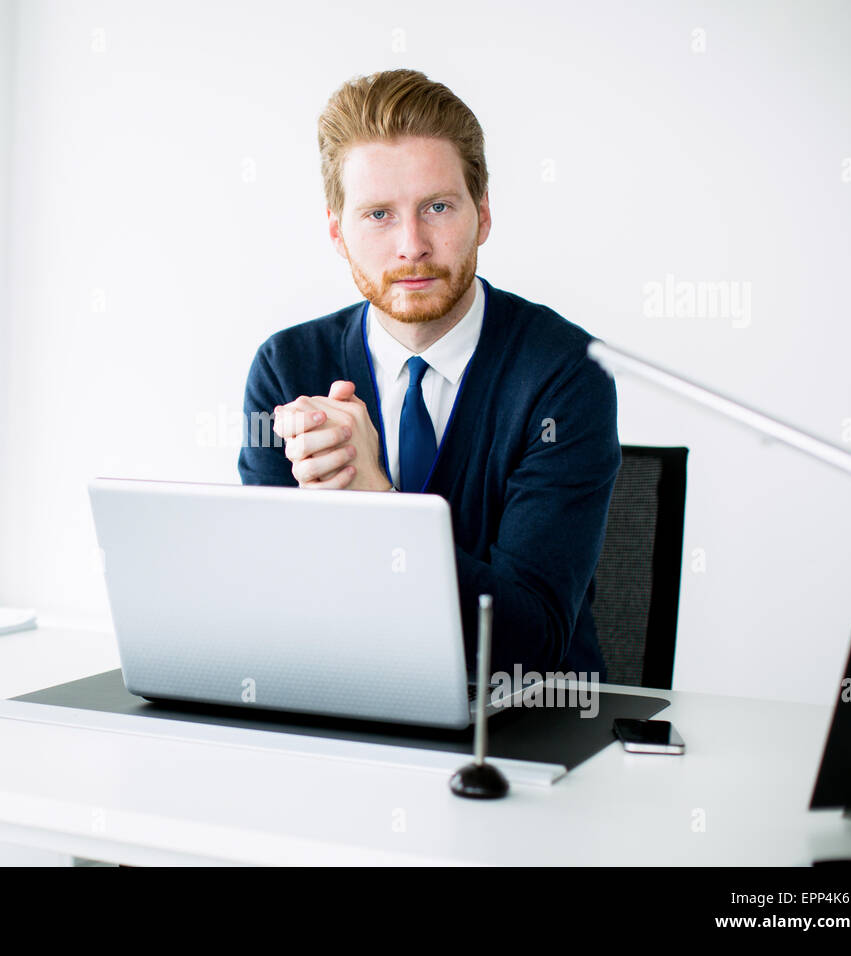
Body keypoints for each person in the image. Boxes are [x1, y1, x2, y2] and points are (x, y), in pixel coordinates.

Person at [237, 69, 619, 679]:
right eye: (379, 215)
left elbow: (529, 641)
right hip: (345, 709)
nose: (411, 245)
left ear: (483, 214)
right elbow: (271, 611)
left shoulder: (567, 375)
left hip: (523, 731)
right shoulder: (286, 369)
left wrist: (372, 501)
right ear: (337, 231)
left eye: (437, 207)